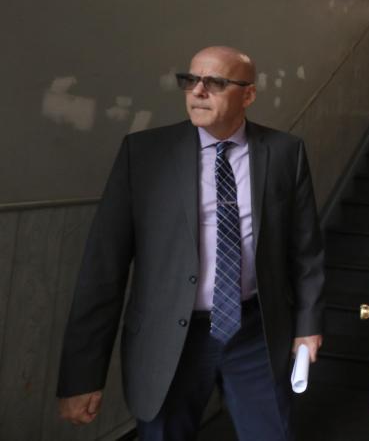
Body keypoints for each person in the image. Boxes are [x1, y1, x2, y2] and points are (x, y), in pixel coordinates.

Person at [56, 46, 325, 440]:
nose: (198, 91)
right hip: (170, 341)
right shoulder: (144, 154)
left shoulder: (284, 153)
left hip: (254, 334)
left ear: (248, 94)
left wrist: (307, 325)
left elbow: (306, 253)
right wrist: (81, 375)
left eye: (215, 82)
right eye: (190, 80)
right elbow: (103, 269)